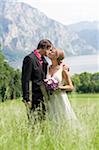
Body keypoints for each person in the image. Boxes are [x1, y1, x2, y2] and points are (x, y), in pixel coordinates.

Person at [22, 39, 53, 120]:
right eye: (49, 50)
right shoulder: (30, 59)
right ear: (44, 48)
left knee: (43, 120)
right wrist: (26, 99)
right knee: (33, 121)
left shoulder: (44, 61)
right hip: (34, 97)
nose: (50, 52)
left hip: (43, 96)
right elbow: (25, 80)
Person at [47, 48, 78, 126]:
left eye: (52, 51)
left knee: (64, 120)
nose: (49, 52)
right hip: (50, 99)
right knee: (53, 123)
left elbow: (71, 87)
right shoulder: (47, 68)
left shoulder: (63, 69)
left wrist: (60, 88)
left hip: (61, 98)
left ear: (57, 56)